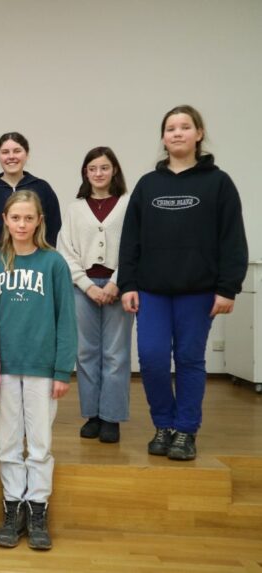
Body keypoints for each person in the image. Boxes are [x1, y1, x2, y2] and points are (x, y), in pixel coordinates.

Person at [119, 105, 248, 461]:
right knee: (152, 359)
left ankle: (186, 430)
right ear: (163, 138)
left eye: (185, 127)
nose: (177, 133)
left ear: (199, 134)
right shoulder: (148, 185)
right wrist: (128, 283)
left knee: (189, 359)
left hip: (198, 292)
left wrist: (228, 287)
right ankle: (163, 424)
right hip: (152, 291)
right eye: (171, 128)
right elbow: (130, 240)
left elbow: (232, 238)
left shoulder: (218, 183)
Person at [0, 191, 76, 551]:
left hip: (41, 367)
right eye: (15, 218)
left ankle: (37, 510)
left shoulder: (54, 263)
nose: (22, 224)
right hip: (3, 367)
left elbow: (66, 318)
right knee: (6, 443)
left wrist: (62, 369)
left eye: (28, 218)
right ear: (5, 220)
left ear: (39, 221)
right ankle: (13, 509)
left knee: (39, 444)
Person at [57, 147, 132, 444]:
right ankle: (93, 415)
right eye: (92, 169)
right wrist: (87, 285)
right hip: (82, 287)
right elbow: (66, 250)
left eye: (104, 167)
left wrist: (116, 282)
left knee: (115, 354)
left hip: (118, 287)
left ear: (114, 170)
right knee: (86, 353)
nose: (98, 173)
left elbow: (134, 246)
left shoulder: (127, 204)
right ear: (85, 173)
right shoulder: (75, 209)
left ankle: (111, 417)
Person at [0, 132, 61, 256]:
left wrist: (46, 259)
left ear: (27, 154)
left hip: (36, 263)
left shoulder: (42, 189)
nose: (11, 156)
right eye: (5, 152)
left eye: (17, 151)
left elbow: (53, 229)